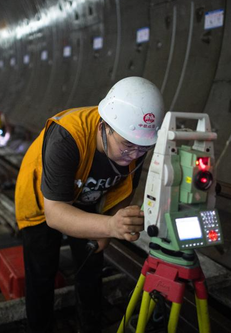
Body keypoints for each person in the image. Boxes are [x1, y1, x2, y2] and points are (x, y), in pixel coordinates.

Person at [15, 77, 165, 333]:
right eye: (128, 146)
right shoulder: (67, 137)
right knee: (42, 273)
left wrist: (112, 222)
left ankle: (90, 324)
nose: (134, 156)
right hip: (43, 203)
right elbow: (56, 214)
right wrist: (109, 225)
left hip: (87, 198)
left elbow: (122, 188)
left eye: (143, 149)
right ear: (104, 127)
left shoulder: (134, 144)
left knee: (91, 267)